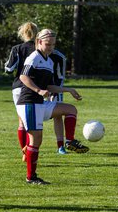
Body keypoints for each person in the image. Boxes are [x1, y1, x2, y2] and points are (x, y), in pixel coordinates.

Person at [16, 29, 89, 184]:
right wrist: (38, 90)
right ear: (39, 41)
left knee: (70, 109)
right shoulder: (34, 57)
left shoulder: (49, 61)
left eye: (53, 44)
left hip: (40, 103)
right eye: (48, 44)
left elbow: (49, 85)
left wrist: (68, 90)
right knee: (36, 140)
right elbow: (23, 76)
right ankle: (31, 177)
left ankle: (69, 141)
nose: (51, 47)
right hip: (29, 103)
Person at [5, 23, 73, 156]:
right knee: (55, 117)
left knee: (23, 123)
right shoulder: (44, 52)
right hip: (37, 88)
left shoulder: (18, 48)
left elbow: (9, 69)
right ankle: (60, 146)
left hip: (20, 88)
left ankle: (25, 151)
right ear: (38, 37)